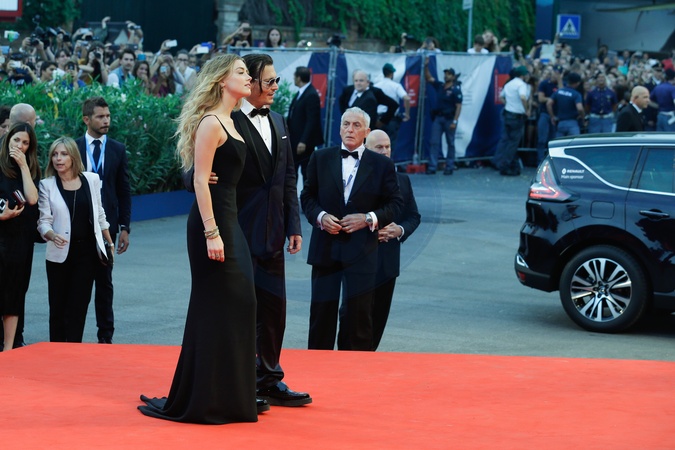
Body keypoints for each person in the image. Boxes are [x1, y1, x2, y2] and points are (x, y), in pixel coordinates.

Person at [138, 54, 264, 424]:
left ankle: (230, 395)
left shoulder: (233, 120)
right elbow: (198, 179)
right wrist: (212, 232)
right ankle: (207, 398)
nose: (248, 77)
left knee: (240, 303)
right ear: (222, 80)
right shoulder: (212, 122)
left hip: (229, 220)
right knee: (218, 305)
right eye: (240, 72)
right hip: (213, 225)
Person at [184, 53, 311, 407]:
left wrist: (294, 224)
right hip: (235, 229)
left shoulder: (280, 121)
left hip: (274, 232)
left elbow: (287, 177)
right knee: (240, 310)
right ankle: (241, 384)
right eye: (269, 81)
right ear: (250, 83)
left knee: (273, 309)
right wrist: (198, 182)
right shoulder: (226, 118)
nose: (275, 87)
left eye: (276, 81)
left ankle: (269, 378)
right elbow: (196, 171)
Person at [300, 107, 403, 351]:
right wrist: (321, 217)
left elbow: (396, 204)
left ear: (367, 132)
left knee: (359, 317)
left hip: (362, 250)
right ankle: (317, 365)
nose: (350, 129)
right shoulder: (320, 158)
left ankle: (356, 368)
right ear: (339, 128)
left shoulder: (382, 165)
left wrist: (367, 219)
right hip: (325, 247)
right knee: (321, 315)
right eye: (346, 124)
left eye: (357, 125)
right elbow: (307, 197)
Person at [37, 137, 114, 343]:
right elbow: (43, 221)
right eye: (55, 155)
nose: (58, 159)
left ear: (73, 157)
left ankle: (73, 350)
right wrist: (52, 235)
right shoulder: (47, 185)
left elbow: (99, 214)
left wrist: (109, 242)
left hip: (86, 254)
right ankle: (56, 350)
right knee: (58, 308)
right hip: (58, 254)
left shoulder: (91, 179)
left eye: (63, 154)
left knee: (78, 307)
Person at [76, 97, 132, 344]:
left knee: (104, 283)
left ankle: (105, 337)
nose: (106, 120)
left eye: (108, 116)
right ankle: (73, 337)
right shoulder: (74, 148)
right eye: (100, 117)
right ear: (86, 119)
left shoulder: (117, 149)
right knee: (79, 284)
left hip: (106, 228)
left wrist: (125, 227)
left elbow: (124, 190)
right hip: (78, 226)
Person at [364, 130, 420, 350]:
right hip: (359, 258)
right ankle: (349, 358)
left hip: (388, 262)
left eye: (387, 147)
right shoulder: (355, 178)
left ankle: (369, 357)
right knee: (353, 314)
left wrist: (399, 230)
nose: (385, 151)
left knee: (379, 316)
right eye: (379, 147)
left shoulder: (402, 180)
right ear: (366, 150)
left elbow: (413, 216)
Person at [0, 123, 40, 351]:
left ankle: (8, 349)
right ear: (8, 139)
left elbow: (32, 199)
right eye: (16, 140)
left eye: (25, 143)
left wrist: (24, 166)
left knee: (14, 293)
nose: (20, 146)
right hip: (1, 234)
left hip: (19, 240)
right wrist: (2, 215)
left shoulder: (30, 168)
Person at [424, 63, 463, 175]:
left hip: (449, 119)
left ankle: (449, 166)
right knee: (434, 142)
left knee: (450, 143)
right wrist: (426, 66)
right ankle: (432, 166)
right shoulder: (441, 86)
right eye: (445, 73)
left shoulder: (456, 90)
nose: (446, 76)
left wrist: (455, 121)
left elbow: (458, 106)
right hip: (438, 118)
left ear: (453, 77)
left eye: (449, 74)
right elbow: (429, 78)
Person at [492, 65, 530, 176]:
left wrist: (508, 105)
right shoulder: (522, 85)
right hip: (517, 116)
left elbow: (501, 97)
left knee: (505, 139)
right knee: (513, 142)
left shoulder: (509, 84)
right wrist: (526, 109)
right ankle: (506, 165)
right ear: (523, 75)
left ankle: (498, 161)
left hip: (507, 113)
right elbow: (523, 97)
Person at [288, 66, 323, 185]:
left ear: (299, 78)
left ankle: (307, 196)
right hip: (295, 140)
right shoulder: (301, 93)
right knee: (292, 171)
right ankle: (291, 196)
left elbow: (312, 120)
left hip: (303, 143)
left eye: (294, 76)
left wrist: (303, 141)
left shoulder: (311, 94)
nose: (293, 79)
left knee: (306, 172)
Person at [374, 63, 411, 156]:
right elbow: (406, 98)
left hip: (378, 118)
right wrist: (407, 114)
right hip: (391, 118)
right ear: (391, 73)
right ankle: (388, 163)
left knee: (376, 143)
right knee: (390, 144)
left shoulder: (376, 86)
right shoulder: (395, 86)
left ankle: (377, 163)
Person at [546, 72, 585, 137]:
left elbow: (548, 103)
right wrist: (583, 117)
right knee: (574, 142)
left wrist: (552, 116)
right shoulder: (576, 94)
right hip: (572, 123)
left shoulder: (559, 91)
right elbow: (580, 108)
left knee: (560, 142)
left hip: (561, 123)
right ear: (578, 83)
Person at [536, 67, 560, 164]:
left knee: (553, 141)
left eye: (558, 73)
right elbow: (541, 98)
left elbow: (563, 94)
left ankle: (553, 162)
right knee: (542, 139)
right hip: (545, 114)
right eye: (555, 73)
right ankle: (540, 161)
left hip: (557, 116)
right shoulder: (544, 83)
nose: (556, 75)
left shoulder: (562, 84)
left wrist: (560, 82)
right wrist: (552, 99)